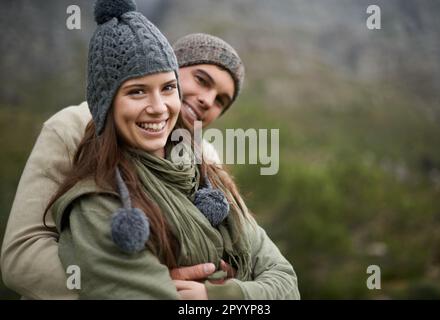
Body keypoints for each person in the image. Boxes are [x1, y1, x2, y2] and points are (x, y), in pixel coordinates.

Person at [1, 0, 300, 300]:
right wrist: (140, 283)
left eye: (221, 100)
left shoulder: (206, 163)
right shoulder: (72, 127)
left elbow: (270, 264)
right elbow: (22, 255)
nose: (208, 100)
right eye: (201, 80)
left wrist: (223, 295)